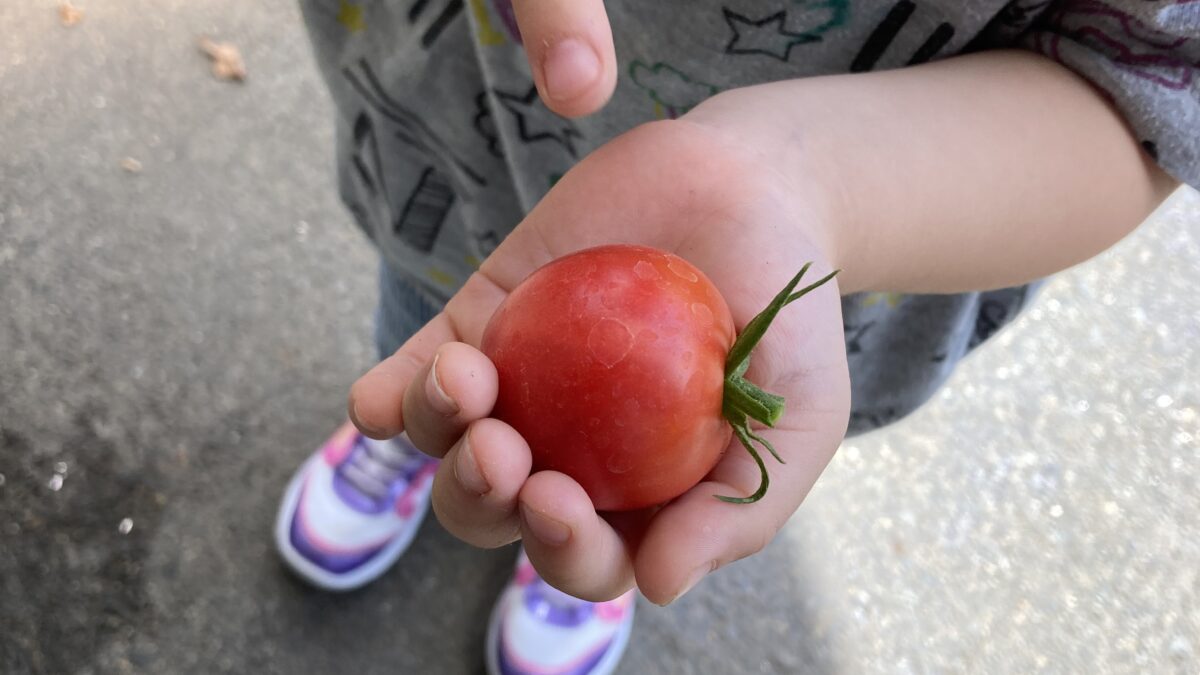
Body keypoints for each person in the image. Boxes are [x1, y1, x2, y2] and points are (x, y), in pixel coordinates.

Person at [275, 1, 1195, 673]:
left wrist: (810, 185)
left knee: (576, 504)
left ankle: (569, 560)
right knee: (430, 349)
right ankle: (406, 442)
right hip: (453, 123)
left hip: (851, 225)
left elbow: (1146, 93)